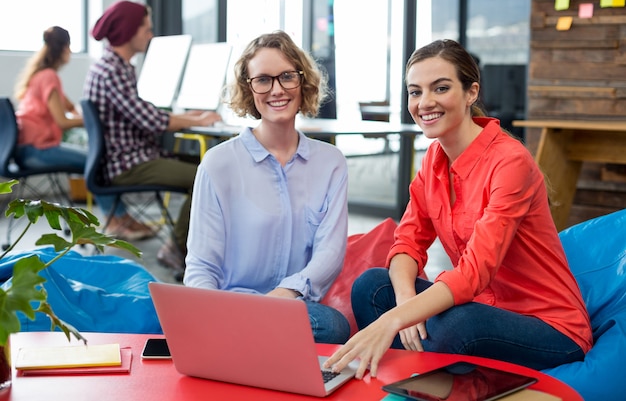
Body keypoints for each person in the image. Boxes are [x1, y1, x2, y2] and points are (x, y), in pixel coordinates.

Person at [324, 39, 592, 378]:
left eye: (440, 88)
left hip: (548, 325)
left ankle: (414, 375)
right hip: (480, 307)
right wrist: (405, 302)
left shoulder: (510, 162)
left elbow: (473, 274)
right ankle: (401, 380)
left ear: (471, 92)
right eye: (415, 91)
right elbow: (407, 242)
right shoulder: (433, 161)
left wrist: (393, 320)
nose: (425, 102)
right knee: (372, 286)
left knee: (457, 325)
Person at [183, 30, 351, 344]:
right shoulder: (218, 164)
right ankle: (245, 342)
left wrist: (281, 297)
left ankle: (242, 346)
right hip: (231, 307)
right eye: (263, 80)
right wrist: (208, 312)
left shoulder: (331, 163)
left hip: (294, 306)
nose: (277, 90)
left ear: (303, 82)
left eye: (287, 76)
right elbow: (202, 265)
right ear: (249, 90)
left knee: (333, 326)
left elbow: (330, 254)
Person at [83, 0, 222, 273]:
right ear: (129, 31)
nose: (150, 35)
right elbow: (151, 120)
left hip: (127, 159)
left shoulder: (114, 66)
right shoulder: (112, 70)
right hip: (127, 164)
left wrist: (190, 118)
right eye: (146, 29)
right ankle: (176, 246)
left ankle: (197, 243)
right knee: (206, 176)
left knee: (206, 165)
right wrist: (196, 119)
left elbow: (141, 113)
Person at [13, 25, 153, 241]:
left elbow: (69, 108)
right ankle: (116, 221)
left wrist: (84, 113)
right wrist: (96, 119)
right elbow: (62, 121)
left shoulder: (39, 75)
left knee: (95, 158)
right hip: (38, 150)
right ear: (65, 48)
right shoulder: (49, 76)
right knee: (96, 160)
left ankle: (122, 217)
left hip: (24, 149)